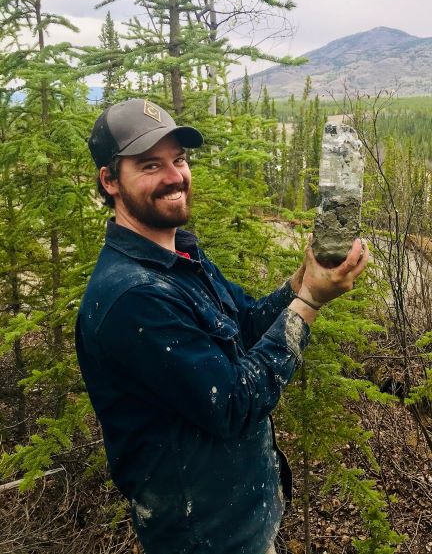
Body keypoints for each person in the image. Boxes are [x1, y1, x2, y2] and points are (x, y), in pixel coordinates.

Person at [75, 98, 368, 554]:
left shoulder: (181, 257)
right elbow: (232, 403)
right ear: (109, 181)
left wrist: (301, 279)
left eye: (179, 160)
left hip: (239, 523)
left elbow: (247, 322)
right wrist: (310, 300)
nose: (175, 176)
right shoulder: (132, 297)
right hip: (205, 539)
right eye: (151, 165)